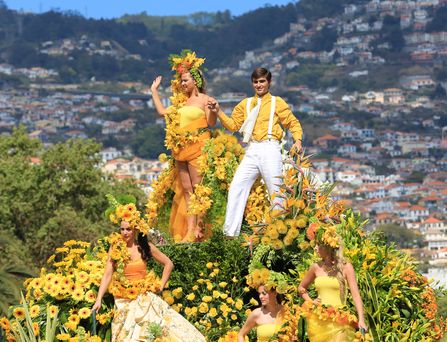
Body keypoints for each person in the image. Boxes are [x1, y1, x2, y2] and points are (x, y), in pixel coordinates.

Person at [208, 67, 303, 237]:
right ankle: (230, 235)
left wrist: (298, 140)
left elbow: (292, 122)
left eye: (262, 81)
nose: (259, 85)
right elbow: (233, 126)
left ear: (269, 83)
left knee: (276, 190)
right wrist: (218, 111)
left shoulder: (276, 102)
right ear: (252, 83)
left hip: (270, 147)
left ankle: (279, 232)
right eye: (255, 82)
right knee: (237, 186)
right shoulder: (244, 104)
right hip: (252, 149)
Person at [93, 199, 205, 341]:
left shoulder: (145, 246)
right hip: (123, 300)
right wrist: (98, 299)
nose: (125, 232)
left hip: (145, 299)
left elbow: (168, 264)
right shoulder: (115, 247)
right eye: (122, 229)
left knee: (154, 334)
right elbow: (108, 273)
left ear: (135, 229)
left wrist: (161, 286)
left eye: (128, 229)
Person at [150, 50, 217, 242]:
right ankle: (189, 229)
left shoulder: (204, 99)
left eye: (186, 80)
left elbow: (211, 122)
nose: (182, 83)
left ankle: (200, 229)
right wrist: (154, 91)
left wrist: (213, 110)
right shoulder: (180, 102)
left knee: (198, 189)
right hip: (180, 151)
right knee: (187, 190)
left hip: (198, 147)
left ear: (196, 80)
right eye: (181, 80)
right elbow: (162, 112)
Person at [297, 239, 367, 342]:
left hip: (339, 320)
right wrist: (310, 301)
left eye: (318, 245)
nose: (315, 248)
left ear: (328, 247)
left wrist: (361, 319)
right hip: (319, 320)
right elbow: (301, 288)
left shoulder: (346, 267)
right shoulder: (316, 267)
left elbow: (356, 295)